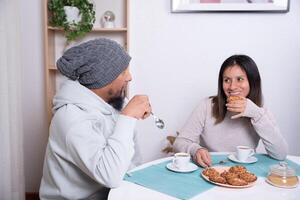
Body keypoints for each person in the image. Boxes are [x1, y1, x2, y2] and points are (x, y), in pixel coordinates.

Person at [39, 38, 151, 200]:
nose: (129, 77)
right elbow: (110, 176)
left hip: (112, 194)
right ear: (102, 78)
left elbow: (132, 161)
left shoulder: (116, 103)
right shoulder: (70, 118)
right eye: (123, 72)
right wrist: (127, 118)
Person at [173, 54, 288, 168]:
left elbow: (280, 154)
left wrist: (256, 114)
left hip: (245, 172)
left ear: (252, 82)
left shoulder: (259, 110)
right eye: (227, 80)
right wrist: (196, 150)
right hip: (211, 169)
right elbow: (180, 142)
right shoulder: (207, 105)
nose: (232, 87)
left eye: (240, 79)